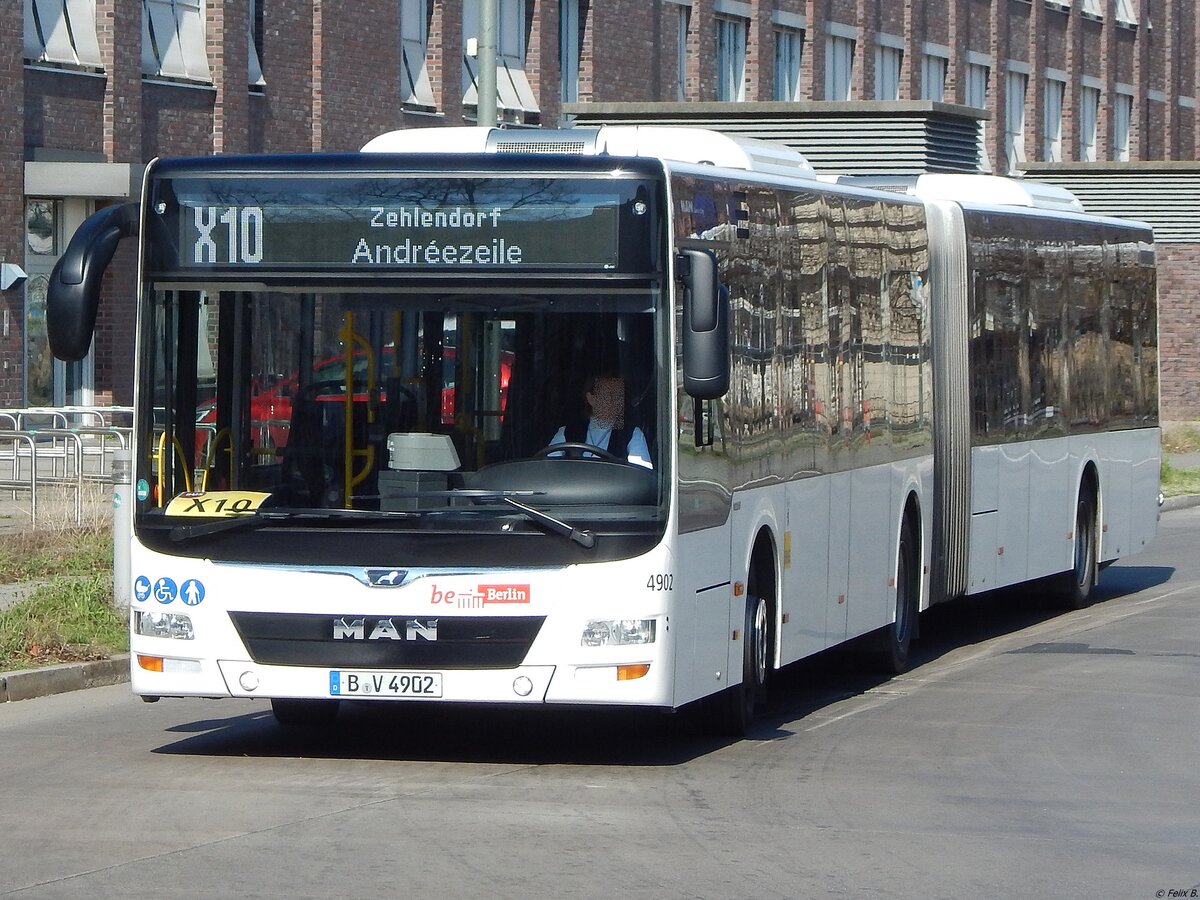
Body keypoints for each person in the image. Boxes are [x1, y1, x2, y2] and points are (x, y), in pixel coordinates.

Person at [547, 373, 652, 468]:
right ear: (591, 399)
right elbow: (547, 469)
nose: (615, 401)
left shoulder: (632, 434)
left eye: (618, 395)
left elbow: (640, 475)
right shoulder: (566, 432)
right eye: (608, 395)